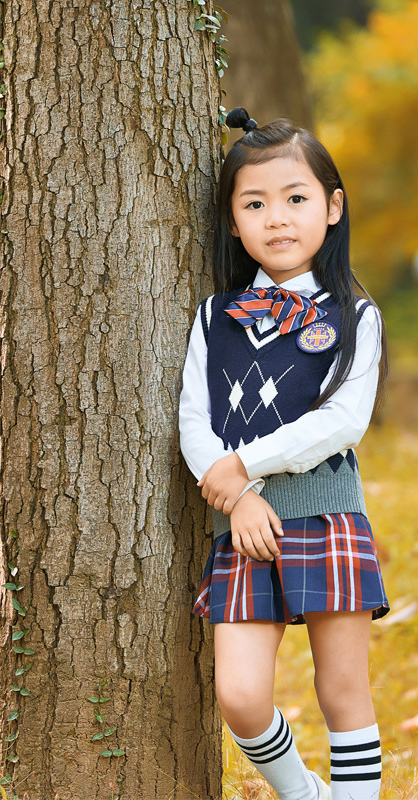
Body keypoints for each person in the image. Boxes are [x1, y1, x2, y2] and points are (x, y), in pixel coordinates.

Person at [179, 107, 389, 800]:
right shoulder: (214, 316)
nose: (277, 218)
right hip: (240, 526)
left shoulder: (356, 315)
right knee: (238, 694)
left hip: (327, 517)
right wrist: (235, 493)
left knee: (342, 690)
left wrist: (249, 465)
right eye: (255, 204)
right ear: (233, 222)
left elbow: (342, 423)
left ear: (332, 208)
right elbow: (194, 423)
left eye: (296, 199)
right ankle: (304, 793)